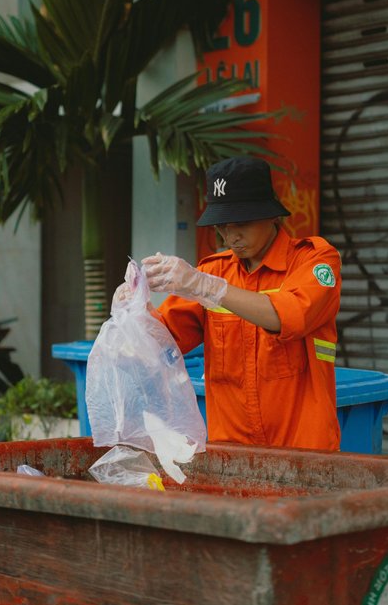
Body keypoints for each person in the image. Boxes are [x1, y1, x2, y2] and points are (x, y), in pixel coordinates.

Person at [140, 156, 342, 451]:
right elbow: (162, 340)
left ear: (273, 215)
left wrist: (207, 287)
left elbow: (291, 316)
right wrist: (133, 307)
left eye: (242, 223)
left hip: (305, 455)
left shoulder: (316, 260)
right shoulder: (213, 271)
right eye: (222, 225)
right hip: (233, 457)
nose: (231, 236)